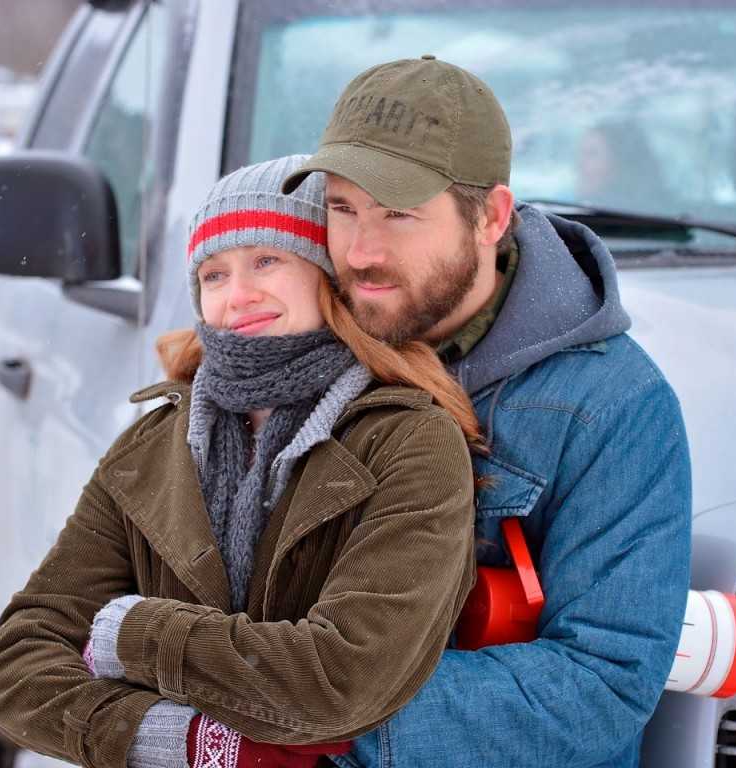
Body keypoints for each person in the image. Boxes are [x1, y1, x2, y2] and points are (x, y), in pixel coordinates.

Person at [0, 155, 482, 768]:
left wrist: (132, 633)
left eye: (267, 260)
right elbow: (18, 664)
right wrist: (184, 741)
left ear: (329, 273)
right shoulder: (154, 444)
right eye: (214, 275)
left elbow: (341, 680)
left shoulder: (409, 442)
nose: (238, 296)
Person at [280, 56, 691, 768]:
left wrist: (317, 716)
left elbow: (603, 683)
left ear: (492, 217)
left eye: (398, 214)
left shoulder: (612, 405)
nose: (361, 252)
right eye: (342, 209)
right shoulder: (294, 347)